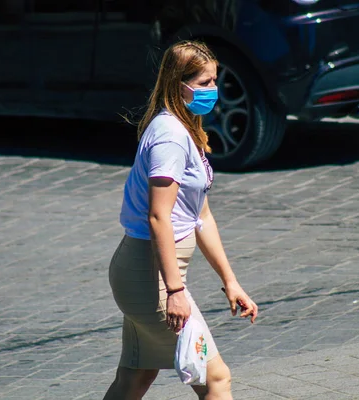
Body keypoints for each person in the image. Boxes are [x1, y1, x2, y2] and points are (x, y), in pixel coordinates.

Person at [104, 40, 258, 400]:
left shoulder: (183, 128)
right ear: (178, 84)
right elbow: (158, 216)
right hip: (152, 276)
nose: (213, 90)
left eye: (215, 80)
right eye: (203, 83)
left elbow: (200, 215)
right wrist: (174, 291)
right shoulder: (170, 136)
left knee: (136, 378)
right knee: (215, 377)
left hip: (148, 273)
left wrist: (230, 281)